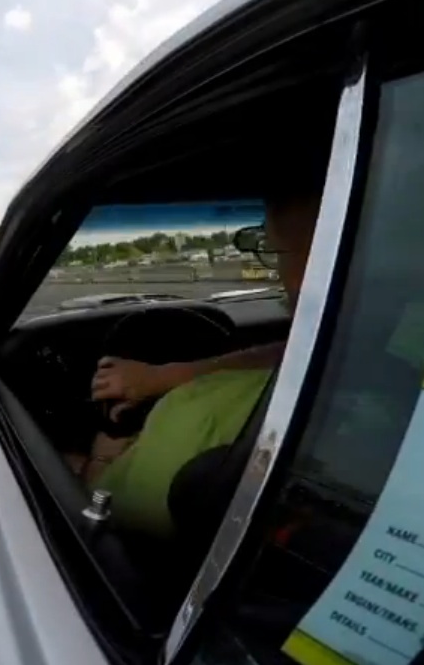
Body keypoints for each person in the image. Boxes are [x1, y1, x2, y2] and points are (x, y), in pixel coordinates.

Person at [74, 192, 323, 537]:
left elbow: (101, 512)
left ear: (305, 268)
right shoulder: (389, 351)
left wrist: (103, 453)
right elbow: (302, 346)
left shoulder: (194, 413)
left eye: (272, 248)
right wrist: (170, 375)